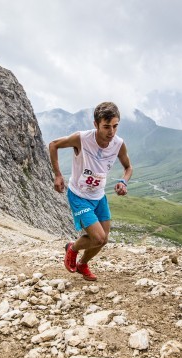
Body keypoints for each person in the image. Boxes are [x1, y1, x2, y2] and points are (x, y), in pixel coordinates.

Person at [49, 102, 133, 281]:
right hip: (79, 195)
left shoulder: (118, 144)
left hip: (99, 195)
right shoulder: (82, 138)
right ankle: (72, 248)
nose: (111, 132)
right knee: (98, 237)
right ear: (96, 124)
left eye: (115, 126)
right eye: (106, 127)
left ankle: (82, 264)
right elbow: (53, 145)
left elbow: (128, 168)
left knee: (103, 240)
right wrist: (57, 175)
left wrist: (123, 182)